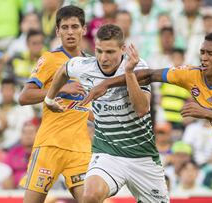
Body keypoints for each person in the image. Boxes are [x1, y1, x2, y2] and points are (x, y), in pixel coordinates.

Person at [83, 32, 212, 203]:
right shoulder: (191, 75)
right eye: (202, 52)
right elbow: (148, 74)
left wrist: (206, 113)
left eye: (210, 53)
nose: (204, 58)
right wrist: (106, 84)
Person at [45, 24, 169, 203]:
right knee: (90, 195)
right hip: (107, 153)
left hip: (142, 156)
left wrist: (129, 73)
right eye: (99, 51)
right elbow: (64, 70)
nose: (103, 58)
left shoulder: (137, 66)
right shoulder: (84, 66)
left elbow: (142, 109)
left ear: (123, 49)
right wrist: (49, 99)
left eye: (110, 52)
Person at [18, 5, 91, 203]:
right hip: (50, 146)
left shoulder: (92, 64)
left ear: (83, 29)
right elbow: (24, 97)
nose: (70, 32)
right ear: (57, 31)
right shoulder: (50, 59)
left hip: (80, 149)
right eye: (65, 27)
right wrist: (60, 88)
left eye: (75, 27)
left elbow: (90, 107)